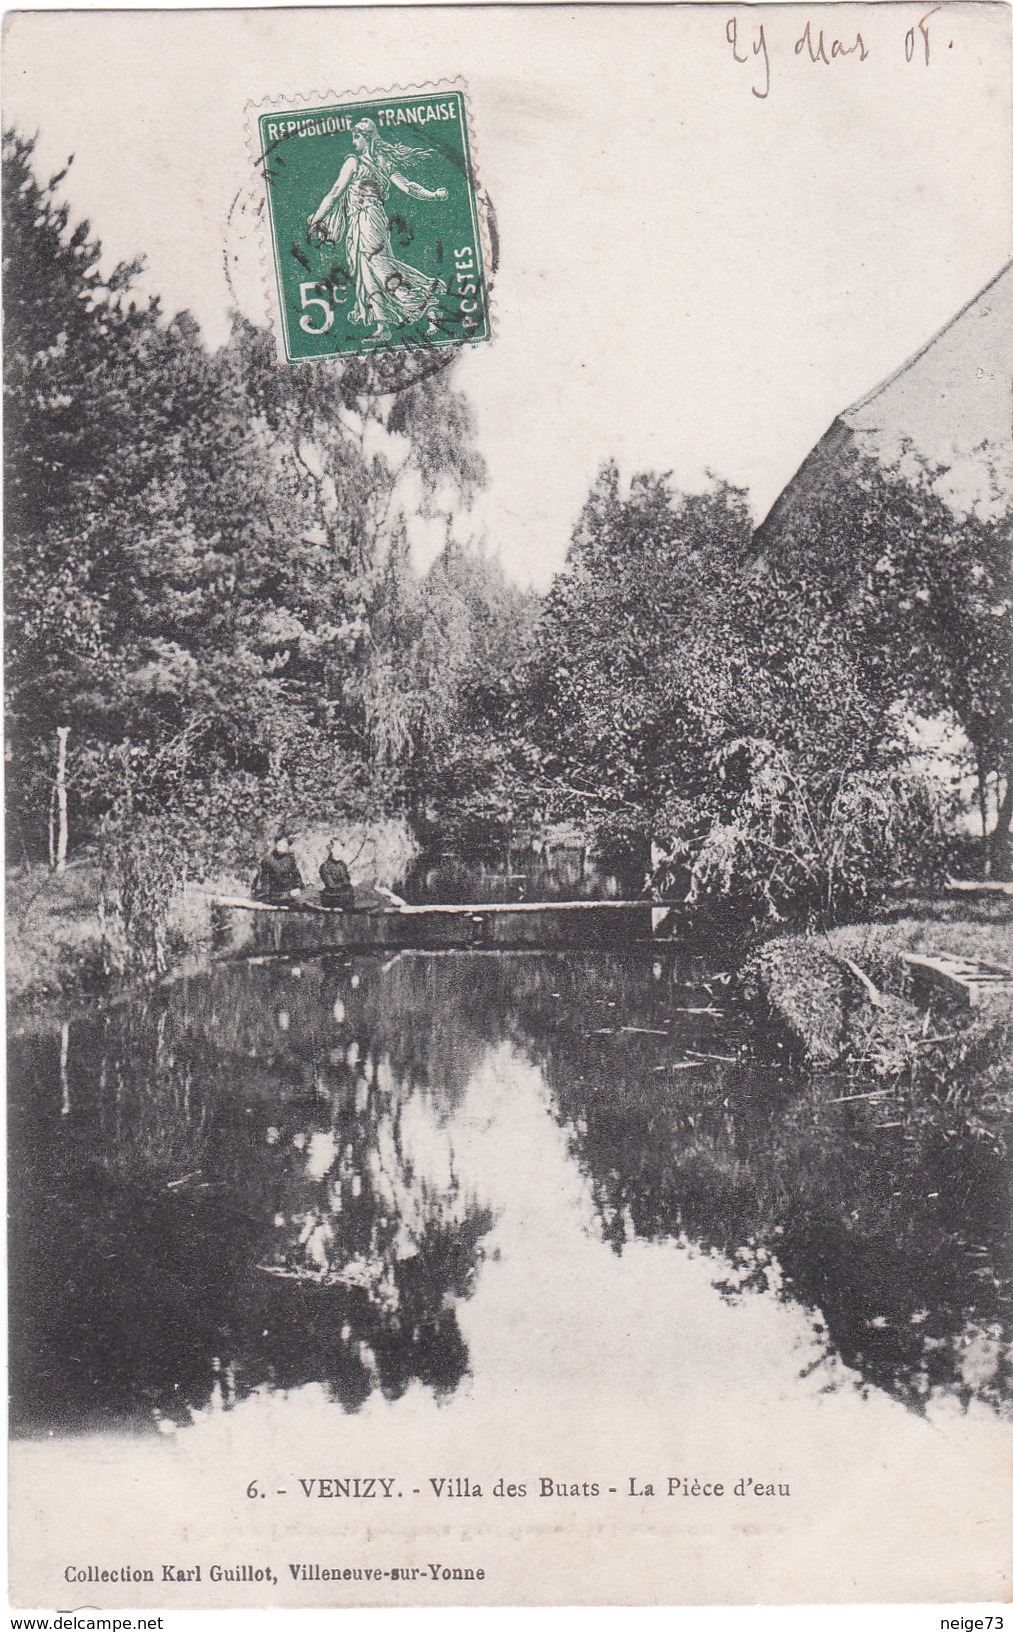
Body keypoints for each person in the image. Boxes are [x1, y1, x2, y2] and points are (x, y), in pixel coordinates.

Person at [307, 119, 448, 341]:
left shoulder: (360, 163)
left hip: (370, 220)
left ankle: (425, 303)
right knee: (364, 272)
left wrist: (432, 195)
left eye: (357, 136)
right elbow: (336, 193)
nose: (354, 141)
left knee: (380, 267)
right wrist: (317, 219)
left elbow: (336, 193)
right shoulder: (379, 162)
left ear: (369, 137)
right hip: (357, 222)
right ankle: (383, 327)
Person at [252, 834, 304, 903]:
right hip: (273, 893)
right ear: (275, 845)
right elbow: (263, 879)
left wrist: (297, 887)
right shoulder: (268, 860)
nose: (281, 848)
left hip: (287, 891)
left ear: (287, 847)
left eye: (284, 846)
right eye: (279, 845)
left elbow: (296, 875)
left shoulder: (290, 859)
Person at [319, 840, 355, 911]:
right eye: (337, 850)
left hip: (345, 898)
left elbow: (346, 879)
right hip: (332, 898)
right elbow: (331, 885)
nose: (340, 853)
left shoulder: (342, 864)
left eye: (341, 850)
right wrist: (348, 883)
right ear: (331, 850)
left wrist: (350, 883)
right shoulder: (325, 866)